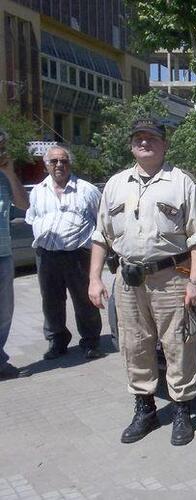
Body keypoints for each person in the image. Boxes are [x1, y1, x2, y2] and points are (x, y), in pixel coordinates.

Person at [89, 119, 196, 446]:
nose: (145, 143)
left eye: (152, 138)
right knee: (134, 343)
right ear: (131, 145)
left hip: (171, 277)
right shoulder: (115, 184)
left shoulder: (183, 183)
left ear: (164, 144)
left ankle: (183, 409)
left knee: (178, 344)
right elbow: (101, 236)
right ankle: (145, 409)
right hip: (128, 280)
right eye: (139, 138)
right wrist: (94, 279)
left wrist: (195, 281)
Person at [26, 145, 103, 360]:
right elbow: (33, 218)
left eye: (64, 161)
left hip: (78, 255)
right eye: (54, 161)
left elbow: (102, 223)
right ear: (46, 165)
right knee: (51, 300)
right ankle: (57, 341)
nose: (59, 165)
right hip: (46, 255)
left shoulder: (87, 190)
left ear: (70, 164)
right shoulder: (37, 191)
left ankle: (90, 341)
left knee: (84, 300)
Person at [0, 128, 31, 380]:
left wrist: (10, 172)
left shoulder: (4, 177)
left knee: (4, 312)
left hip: (3, 254)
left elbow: (23, 205)